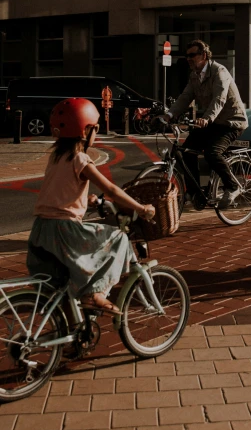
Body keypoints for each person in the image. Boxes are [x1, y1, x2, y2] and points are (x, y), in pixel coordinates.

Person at [26, 98, 155, 314]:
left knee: (61, 288)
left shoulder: (56, 158)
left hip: (40, 231)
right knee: (118, 239)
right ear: (85, 131)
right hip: (64, 232)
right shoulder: (80, 159)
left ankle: (71, 342)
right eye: (95, 129)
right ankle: (95, 294)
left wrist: (86, 200)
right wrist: (142, 209)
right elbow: (112, 190)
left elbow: (58, 192)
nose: (96, 133)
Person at [167, 39, 248, 208]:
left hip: (231, 122)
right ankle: (196, 192)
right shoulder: (194, 76)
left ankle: (233, 186)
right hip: (212, 123)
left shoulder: (219, 71)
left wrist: (207, 118)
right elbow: (185, 97)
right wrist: (169, 114)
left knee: (212, 152)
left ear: (203, 55)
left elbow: (220, 98)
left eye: (192, 55)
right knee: (186, 151)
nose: (188, 59)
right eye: (186, 56)